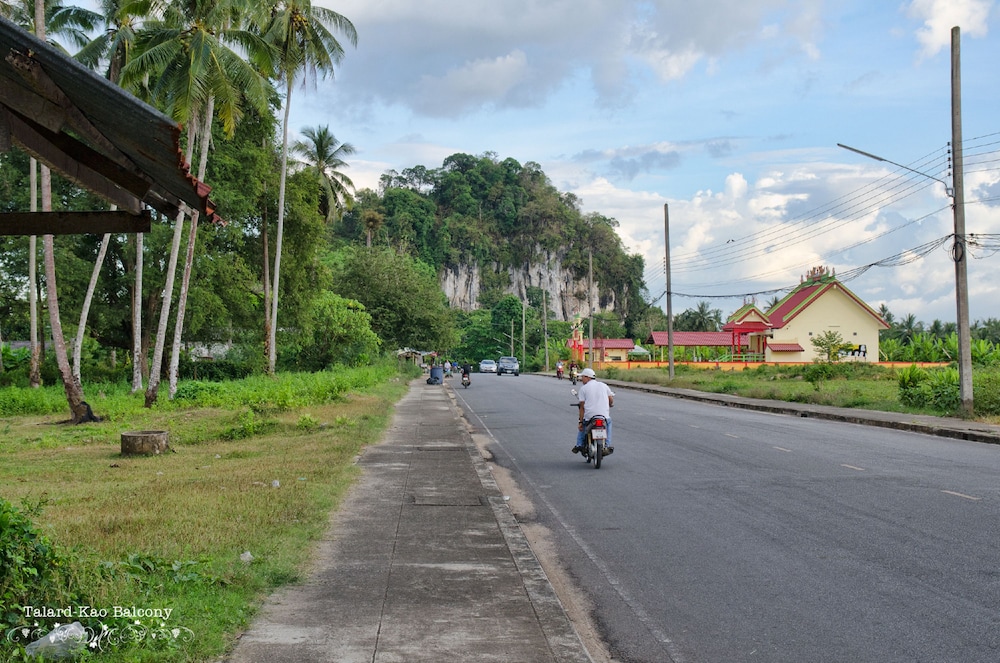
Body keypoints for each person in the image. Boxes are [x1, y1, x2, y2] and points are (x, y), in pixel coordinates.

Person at [573, 368, 614, 454]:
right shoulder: (604, 385)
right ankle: (607, 445)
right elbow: (610, 399)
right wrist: (610, 404)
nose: (581, 379)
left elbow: (582, 407)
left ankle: (579, 444)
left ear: (588, 377)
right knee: (608, 423)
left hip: (590, 417)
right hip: (604, 416)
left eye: (582, 377)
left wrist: (580, 422)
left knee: (583, 426)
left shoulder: (583, 389)